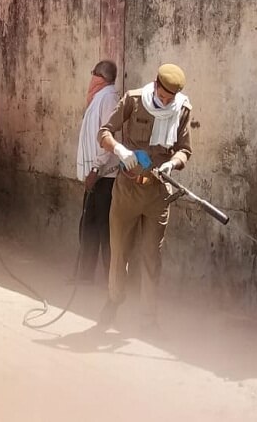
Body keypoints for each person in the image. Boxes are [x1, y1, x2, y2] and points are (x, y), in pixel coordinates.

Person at [96, 63, 192, 331]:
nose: (165, 101)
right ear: (156, 84)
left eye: (170, 98)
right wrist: (119, 150)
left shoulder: (182, 109)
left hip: (158, 193)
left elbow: (185, 149)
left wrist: (173, 163)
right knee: (119, 252)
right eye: (162, 95)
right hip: (127, 189)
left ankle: (149, 318)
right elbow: (103, 132)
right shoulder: (134, 100)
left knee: (152, 256)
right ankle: (114, 300)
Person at [75, 60, 119, 284]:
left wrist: (95, 168)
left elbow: (108, 137)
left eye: (94, 73)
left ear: (101, 76)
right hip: (94, 177)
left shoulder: (109, 97)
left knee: (104, 231)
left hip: (104, 177)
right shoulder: (97, 98)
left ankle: (111, 283)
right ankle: (84, 277)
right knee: (88, 226)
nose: (91, 77)